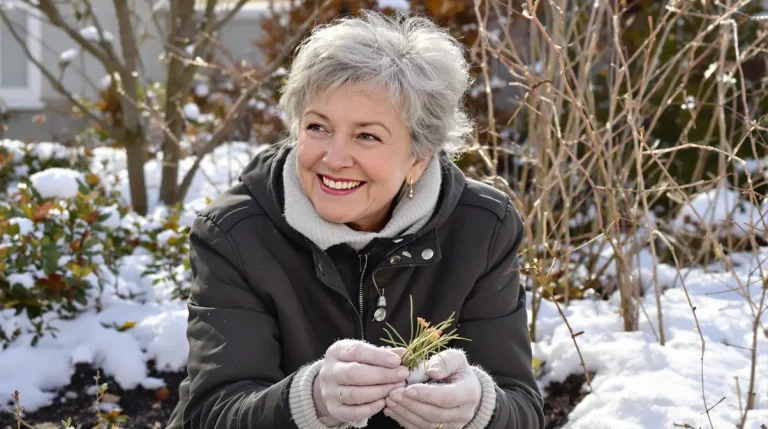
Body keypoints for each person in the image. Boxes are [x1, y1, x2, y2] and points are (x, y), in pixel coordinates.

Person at [166, 10, 544, 429]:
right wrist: (310, 401)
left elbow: (522, 408)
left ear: (419, 157)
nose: (334, 158)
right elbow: (211, 414)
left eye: (367, 135)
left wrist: (480, 410)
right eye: (317, 127)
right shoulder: (235, 233)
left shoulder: (482, 228)